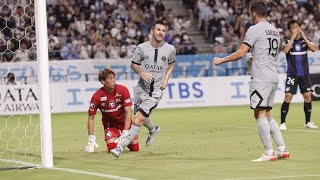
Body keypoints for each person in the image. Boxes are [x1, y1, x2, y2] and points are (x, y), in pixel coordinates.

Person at [213, 0, 289, 161]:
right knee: (267, 113)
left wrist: (221, 60)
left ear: (253, 13)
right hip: (273, 76)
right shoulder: (274, 30)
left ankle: (269, 152)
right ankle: (282, 148)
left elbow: (241, 52)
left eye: (250, 12)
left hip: (261, 77)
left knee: (259, 114)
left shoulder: (254, 29)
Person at [111, 20, 176, 158]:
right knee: (140, 116)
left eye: (163, 31)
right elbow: (134, 64)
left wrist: (166, 79)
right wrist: (141, 73)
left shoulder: (170, 49)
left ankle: (119, 148)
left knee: (137, 120)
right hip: (141, 90)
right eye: (158, 30)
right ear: (152, 31)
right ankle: (153, 129)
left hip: (155, 92)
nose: (161, 33)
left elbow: (172, 64)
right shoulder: (141, 48)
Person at [85, 68, 139, 153]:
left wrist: (125, 131)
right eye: (110, 78)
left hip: (124, 123)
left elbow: (128, 112)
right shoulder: (97, 96)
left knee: (135, 148)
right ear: (103, 81)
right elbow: (91, 118)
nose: (113, 80)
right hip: (110, 125)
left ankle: (123, 138)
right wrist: (91, 137)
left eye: (114, 78)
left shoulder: (123, 90)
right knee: (112, 149)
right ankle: (116, 139)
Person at [279, 20, 318, 130]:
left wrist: (304, 36)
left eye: (297, 27)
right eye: (293, 27)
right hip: (292, 75)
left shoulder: (305, 41)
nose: (296, 29)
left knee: (308, 96)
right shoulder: (287, 41)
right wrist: (292, 38)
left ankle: (308, 122)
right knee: (288, 97)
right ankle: (282, 123)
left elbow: (314, 49)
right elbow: (286, 50)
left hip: (304, 75)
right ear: (290, 30)